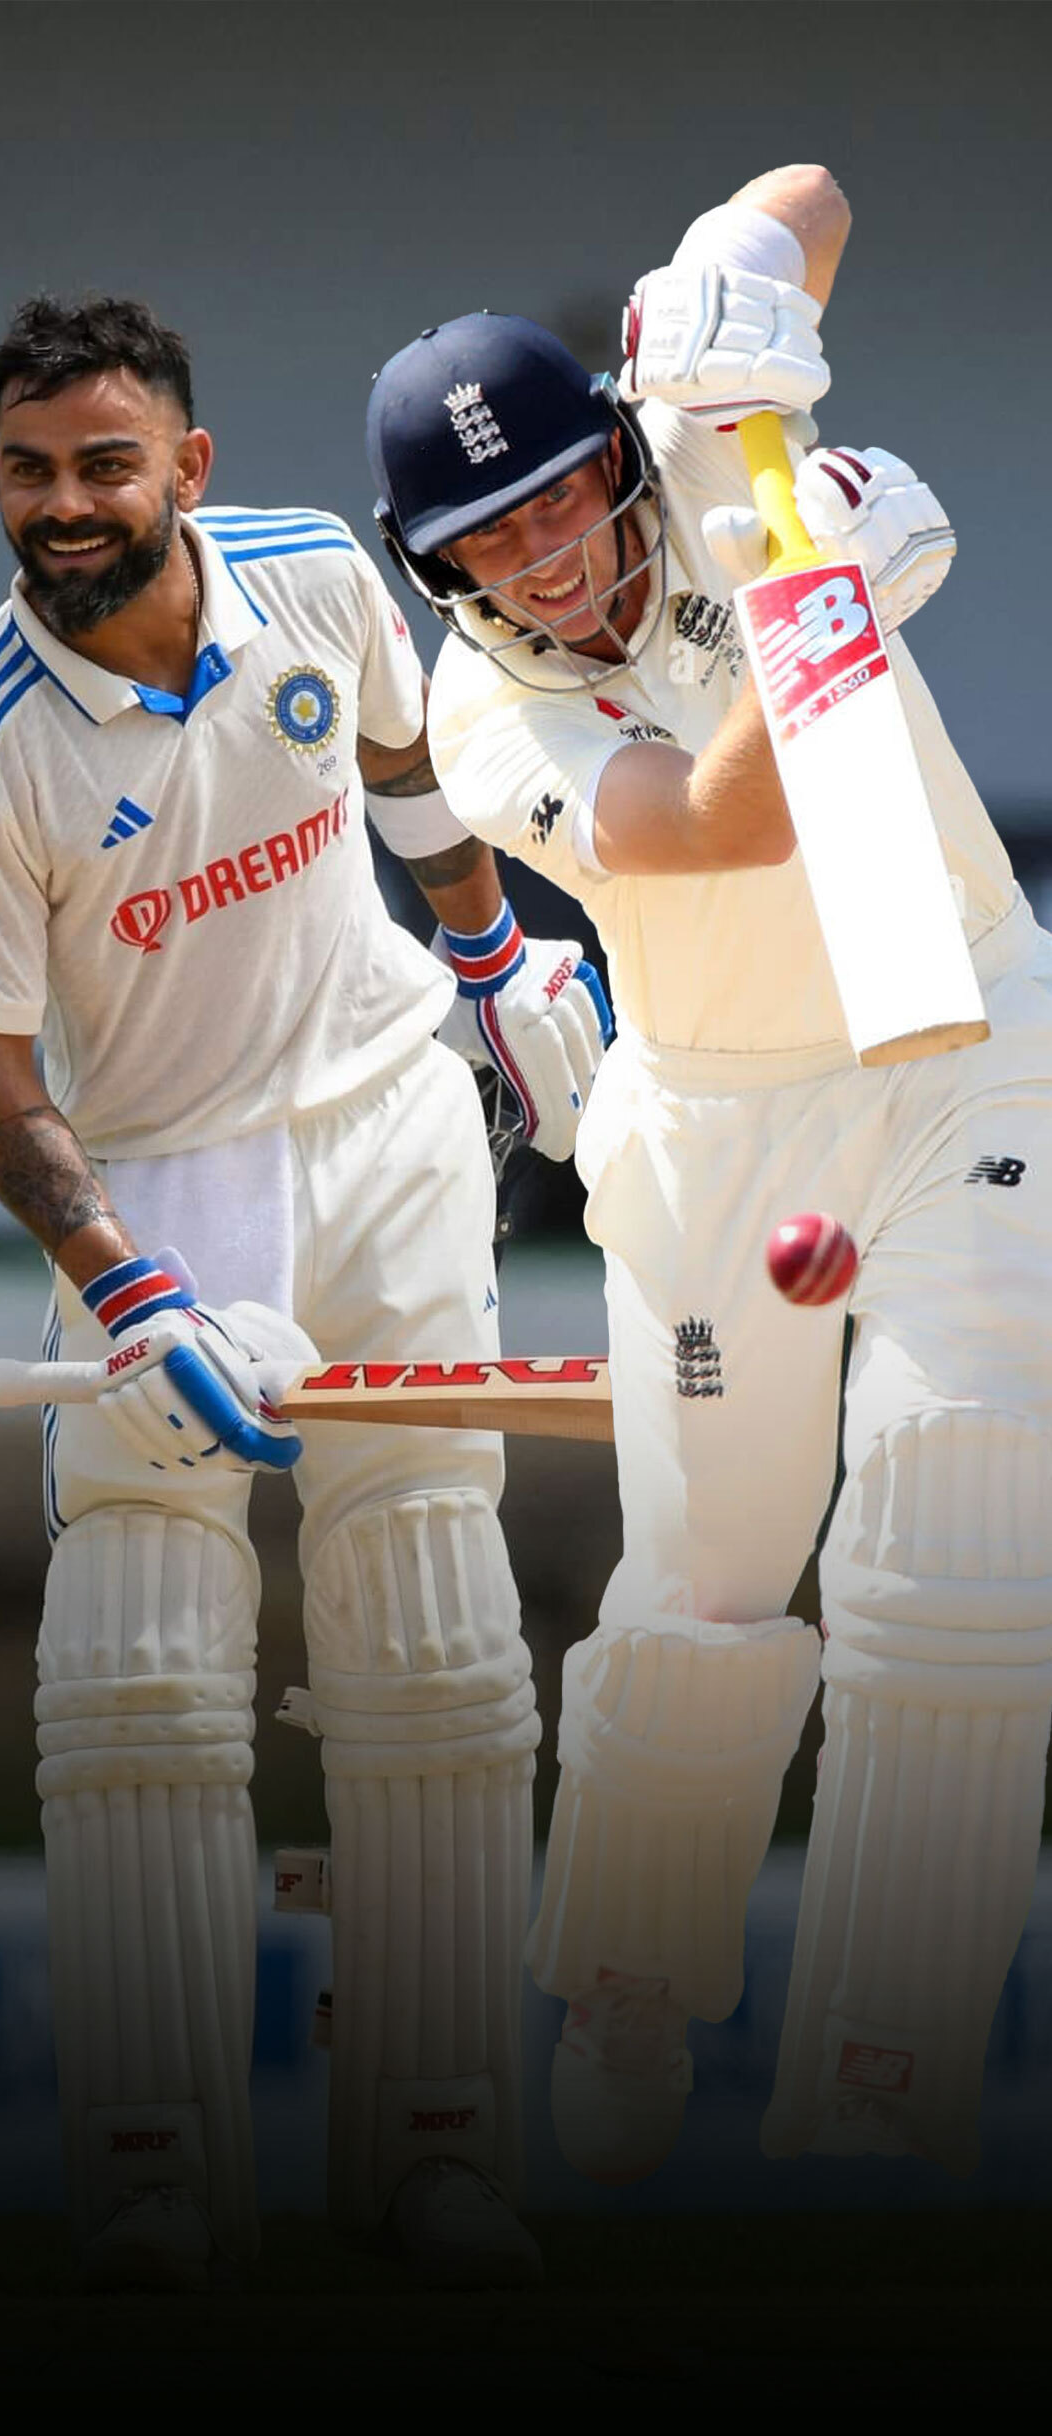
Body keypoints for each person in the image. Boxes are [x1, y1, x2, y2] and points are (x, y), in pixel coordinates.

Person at [367, 162, 1052, 2186]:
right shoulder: (480, 711)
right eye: (488, 544)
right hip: (710, 1125)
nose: (546, 563)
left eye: (560, 499)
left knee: (955, 1521)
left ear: (612, 452)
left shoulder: (701, 446)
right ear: (438, 572)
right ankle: (626, 1993)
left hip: (962, 1041)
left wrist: (728, 293)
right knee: (705, 1601)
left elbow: (804, 197)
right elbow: (701, 828)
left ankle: (876, 2086)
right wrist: (820, 605)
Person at [0, 293, 613, 2290]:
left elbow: (407, 774)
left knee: (433, 1626)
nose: (64, 504)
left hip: (391, 1116)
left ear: (188, 468)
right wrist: (133, 1294)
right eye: (27, 470)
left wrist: (487, 957)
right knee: (140, 1653)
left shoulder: (313, 570)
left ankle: (437, 2147)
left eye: (104, 463)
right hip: (163, 1173)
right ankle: (155, 2173)